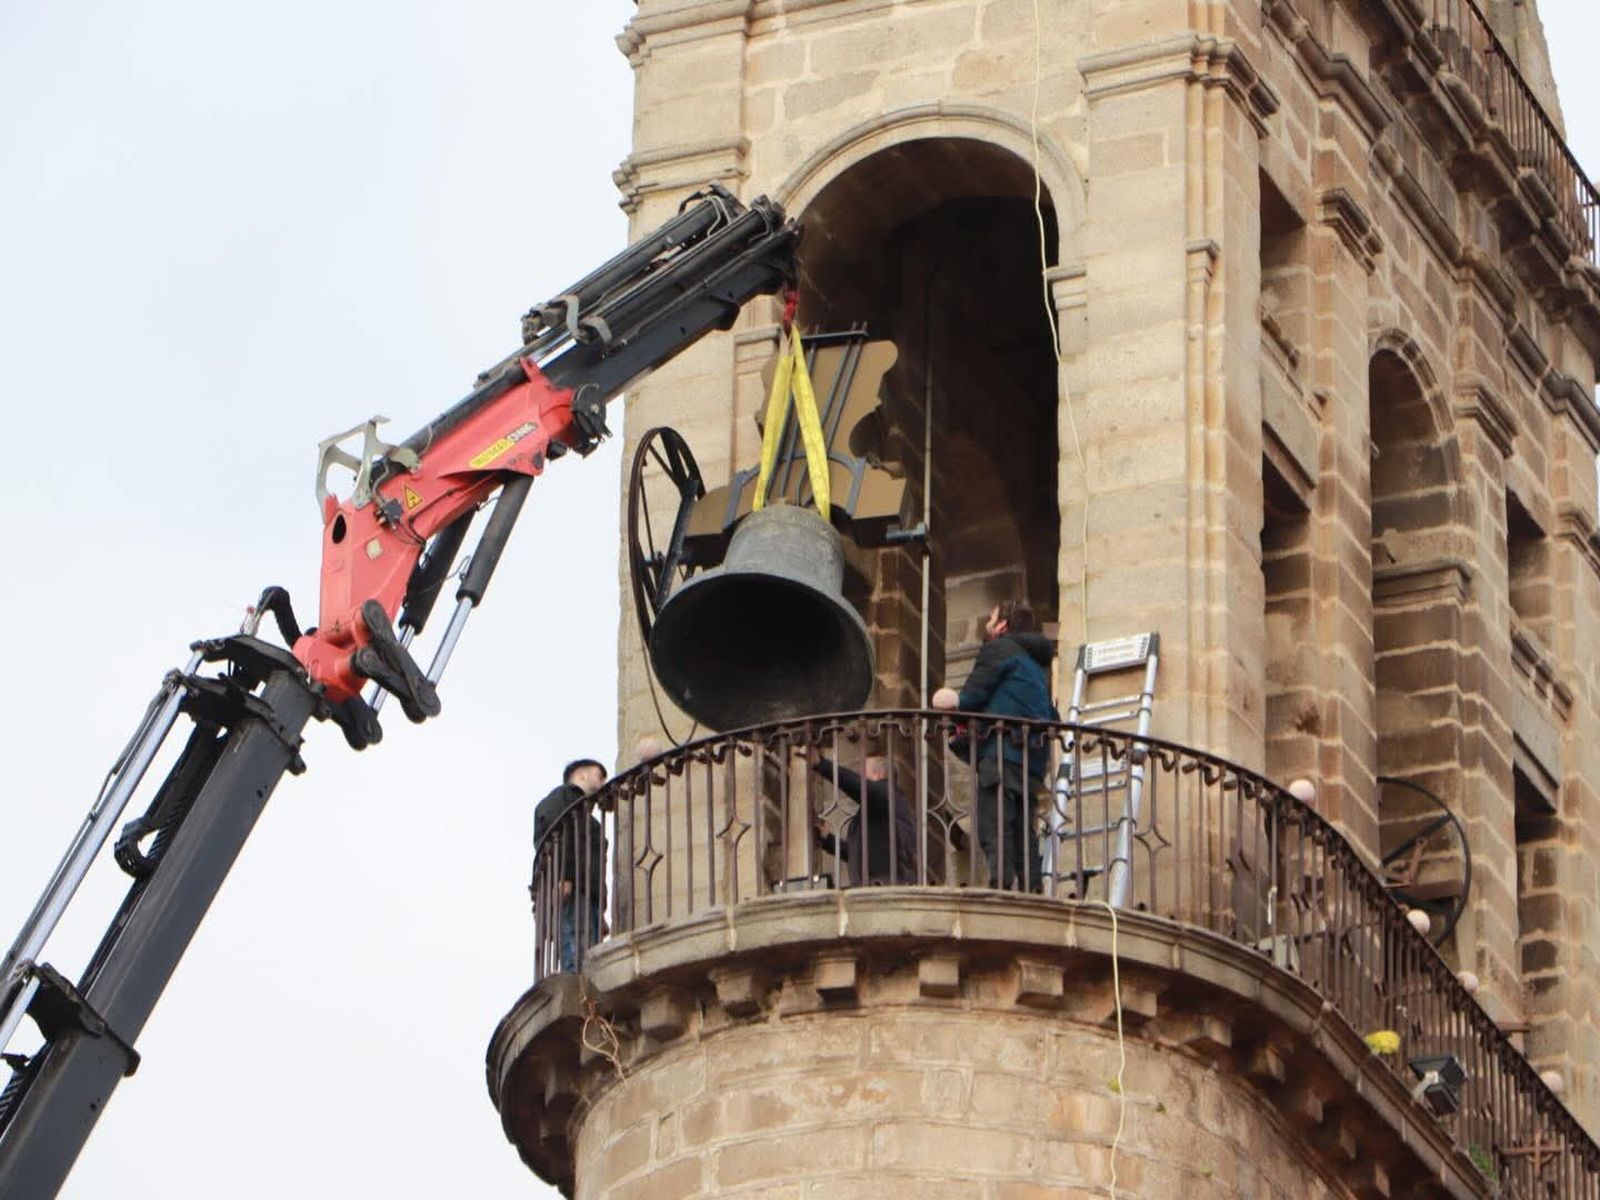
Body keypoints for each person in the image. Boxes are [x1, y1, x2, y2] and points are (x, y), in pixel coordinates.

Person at [932, 600, 1056, 891]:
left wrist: (951, 707)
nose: (987, 621)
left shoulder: (998, 649)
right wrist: (962, 740)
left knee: (995, 824)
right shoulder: (1036, 666)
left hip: (1002, 755)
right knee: (1023, 829)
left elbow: (973, 696)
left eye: (992, 617)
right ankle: (1032, 888)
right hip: (1030, 761)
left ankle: (1001, 887)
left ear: (1001, 625)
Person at [532, 758, 609, 973]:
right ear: (581, 775)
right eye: (599, 776)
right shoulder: (562, 798)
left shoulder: (588, 819)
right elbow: (556, 834)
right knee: (578, 956)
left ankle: (588, 1000)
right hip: (572, 889)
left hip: (585, 894)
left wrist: (600, 910)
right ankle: (583, 999)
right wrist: (562, 876)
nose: (603, 784)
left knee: (588, 954)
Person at [807, 752, 920, 886]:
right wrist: (827, 839)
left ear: (878, 775)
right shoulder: (876, 810)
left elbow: (855, 785)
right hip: (875, 884)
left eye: (863, 773)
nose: (860, 777)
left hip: (888, 885)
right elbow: (857, 853)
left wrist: (821, 764)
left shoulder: (888, 792)